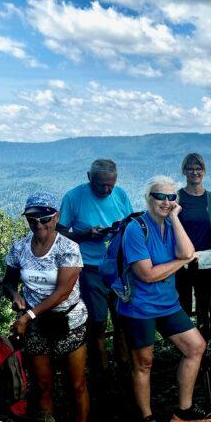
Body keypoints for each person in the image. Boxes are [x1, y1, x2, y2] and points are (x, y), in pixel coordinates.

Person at [118, 176, 211, 422]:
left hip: (167, 303)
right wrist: (179, 263)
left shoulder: (171, 224)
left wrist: (175, 219)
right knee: (144, 363)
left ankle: (183, 410)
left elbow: (188, 250)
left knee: (195, 347)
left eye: (172, 197)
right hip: (139, 307)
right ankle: (146, 419)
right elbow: (146, 274)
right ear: (149, 198)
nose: (167, 201)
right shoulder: (136, 229)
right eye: (161, 196)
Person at [3, 192, 91, 422]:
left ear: (56, 217)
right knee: (43, 383)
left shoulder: (68, 248)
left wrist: (27, 315)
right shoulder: (19, 248)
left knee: (76, 384)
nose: (39, 225)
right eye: (32, 220)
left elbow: (63, 292)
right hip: (37, 324)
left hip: (68, 321)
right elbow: (8, 281)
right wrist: (15, 296)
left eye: (45, 219)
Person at [57, 159, 132, 374]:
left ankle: (124, 368)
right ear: (89, 178)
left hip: (119, 268)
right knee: (97, 322)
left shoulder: (121, 195)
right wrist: (85, 234)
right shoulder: (74, 197)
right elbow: (59, 235)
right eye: (101, 185)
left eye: (111, 184)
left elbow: (130, 224)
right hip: (90, 269)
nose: (107, 189)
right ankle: (102, 372)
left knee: (123, 321)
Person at [175, 153, 211, 352]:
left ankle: (206, 350)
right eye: (190, 168)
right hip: (183, 262)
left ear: (204, 171)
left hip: (207, 262)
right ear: (184, 171)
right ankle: (187, 350)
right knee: (184, 307)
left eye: (198, 168)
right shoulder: (178, 198)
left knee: (206, 308)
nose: (194, 172)